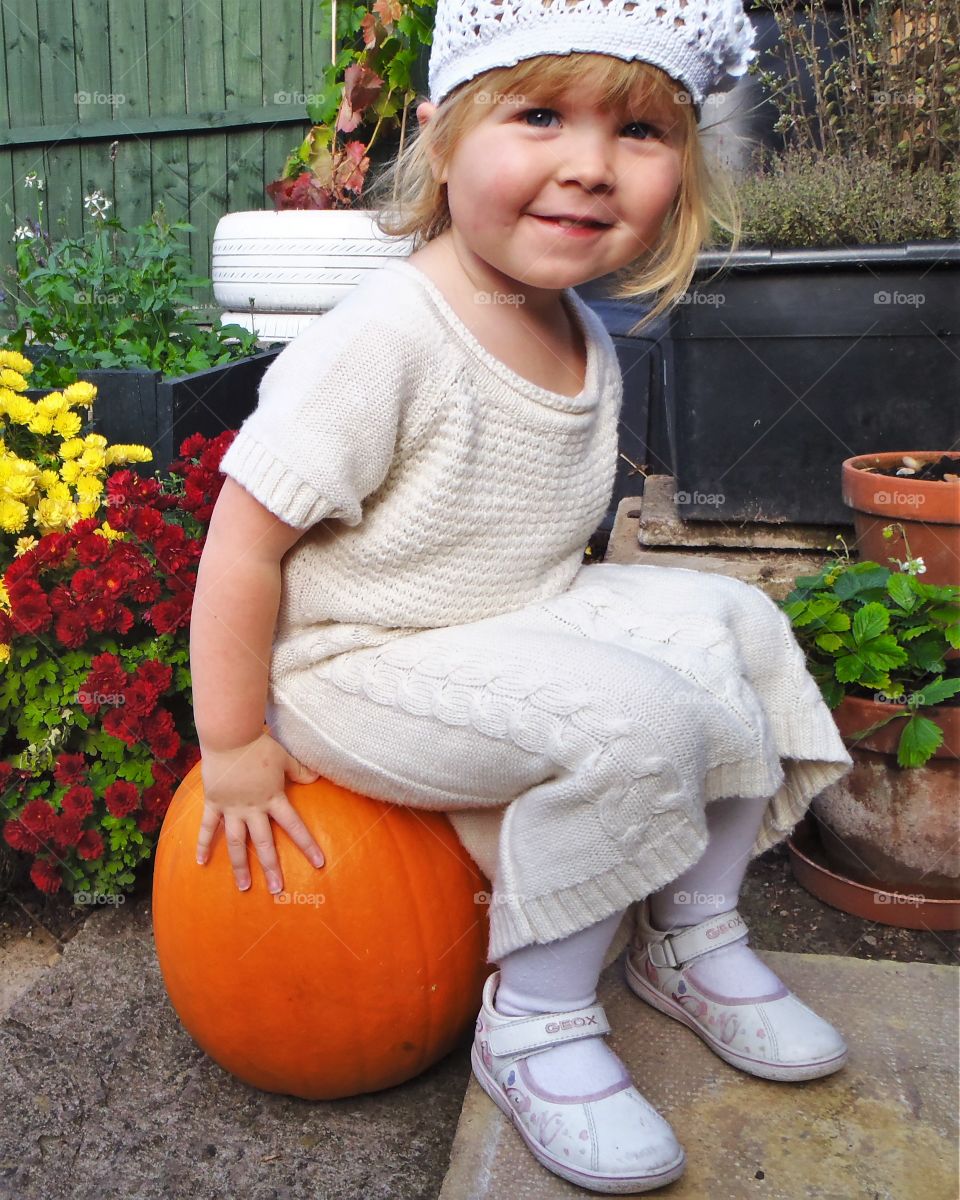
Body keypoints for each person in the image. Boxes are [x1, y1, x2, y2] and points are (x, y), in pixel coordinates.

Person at [189, 0, 854, 1191]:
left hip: (510, 611)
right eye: (541, 114)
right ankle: (536, 1022)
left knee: (743, 624)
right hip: (355, 662)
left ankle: (687, 937)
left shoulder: (576, 326)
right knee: (640, 725)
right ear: (445, 139)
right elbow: (241, 546)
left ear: (681, 166)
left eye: (640, 131)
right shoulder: (387, 335)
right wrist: (235, 742)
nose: (589, 166)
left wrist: (636, 638)